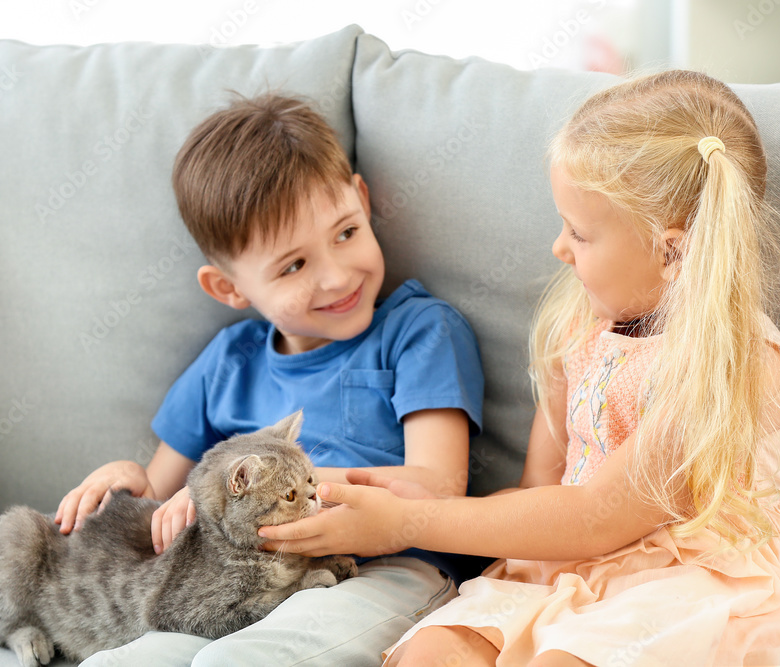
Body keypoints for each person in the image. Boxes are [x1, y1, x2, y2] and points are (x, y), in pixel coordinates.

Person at [260, 70, 780, 666]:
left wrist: (410, 523)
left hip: (697, 585)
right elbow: (542, 495)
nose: (559, 248)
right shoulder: (578, 332)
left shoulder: (735, 363)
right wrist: (413, 493)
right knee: (430, 652)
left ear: (673, 252)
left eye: (579, 232)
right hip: (570, 565)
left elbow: (598, 516)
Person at [53, 93, 485, 666]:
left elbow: (439, 487)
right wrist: (129, 481)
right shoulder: (226, 362)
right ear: (229, 289)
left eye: (346, 233)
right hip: (232, 583)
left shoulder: (421, 332)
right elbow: (164, 504)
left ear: (361, 198)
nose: (336, 276)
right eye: (294, 265)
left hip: (386, 568)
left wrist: (291, 493)